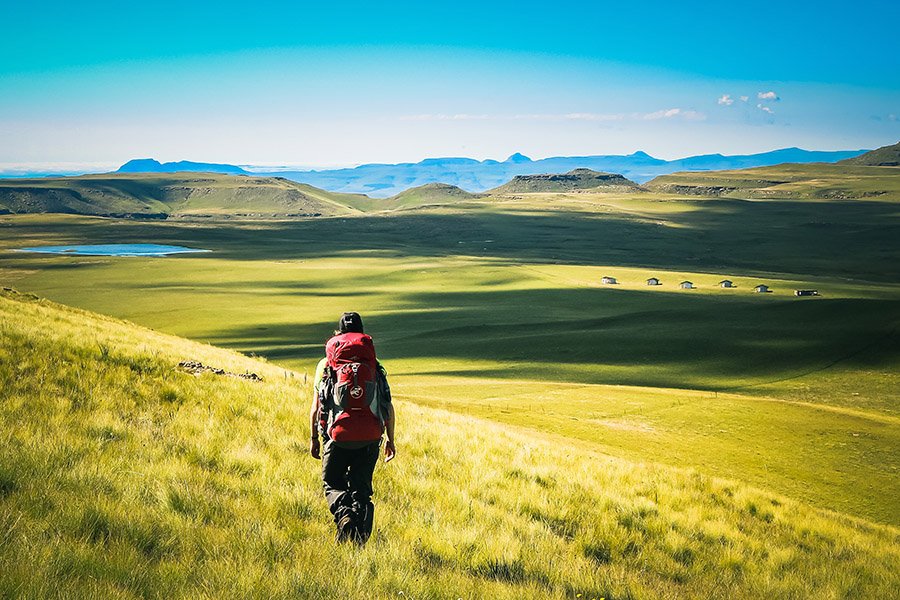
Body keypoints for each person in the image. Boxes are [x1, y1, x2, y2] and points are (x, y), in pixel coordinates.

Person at [309, 312, 396, 544]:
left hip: (337, 437)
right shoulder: (374, 365)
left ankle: (344, 516)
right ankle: (360, 539)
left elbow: (316, 408)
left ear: (338, 334)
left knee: (332, 482)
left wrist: (314, 438)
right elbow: (387, 405)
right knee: (362, 489)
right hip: (370, 436)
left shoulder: (325, 365)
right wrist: (391, 439)